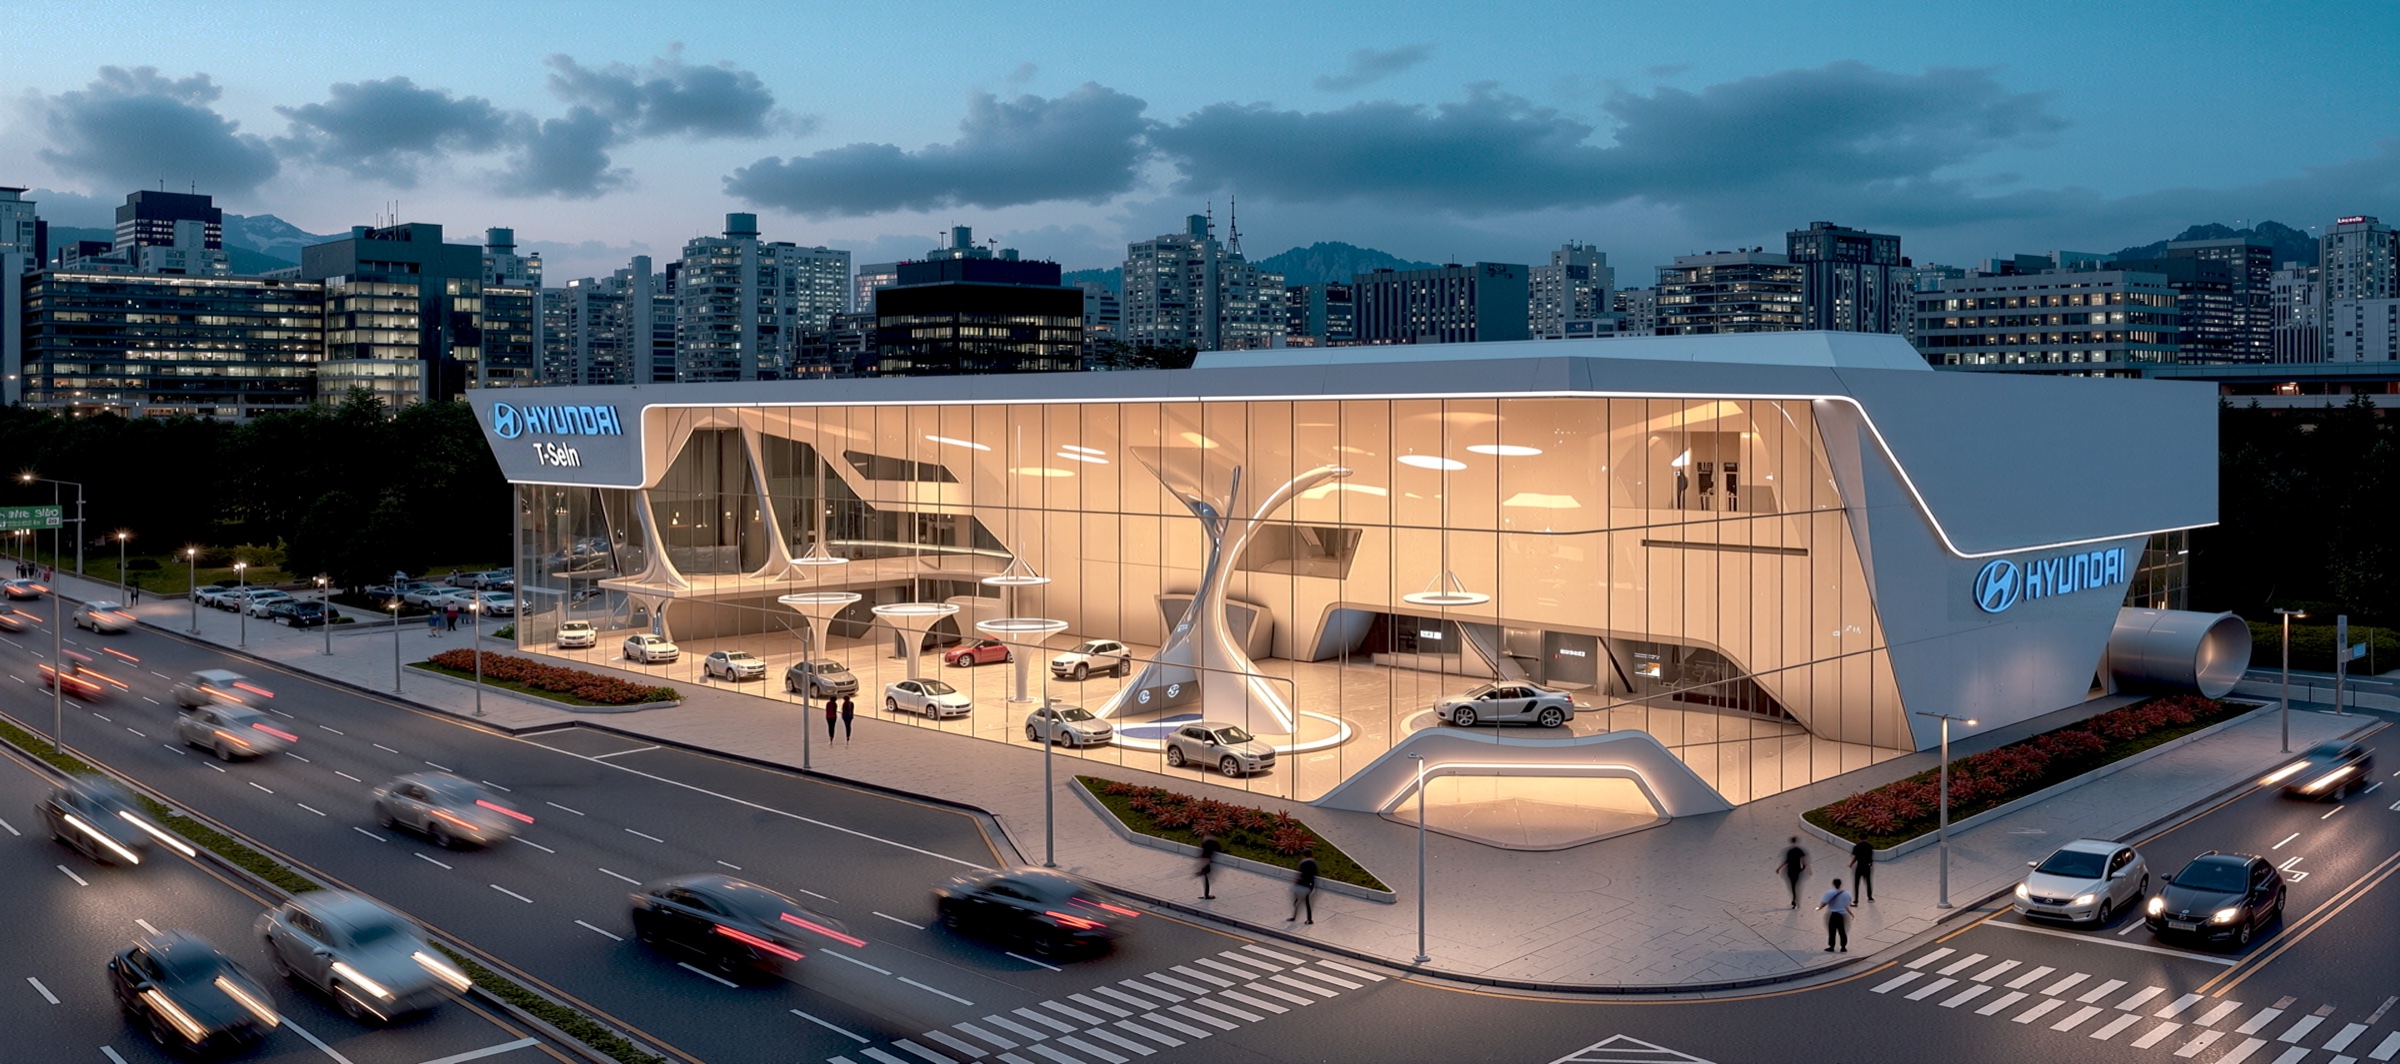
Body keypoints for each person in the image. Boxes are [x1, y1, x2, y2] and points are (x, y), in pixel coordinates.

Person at [1817, 877, 1854, 952]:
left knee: (1832, 931)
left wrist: (1818, 908)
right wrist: (1851, 913)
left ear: (1833, 884)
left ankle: (1831, 946)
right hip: (1842, 915)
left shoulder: (1829, 893)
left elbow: (1824, 903)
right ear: (1840, 884)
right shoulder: (1847, 894)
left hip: (1833, 914)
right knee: (1842, 931)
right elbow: (1847, 905)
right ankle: (1843, 947)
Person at [1776, 836, 1810, 909]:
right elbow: (1804, 862)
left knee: (1792, 886)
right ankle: (1796, 899)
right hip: (1797, 870)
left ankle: (1794, 899)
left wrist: (1779, 868)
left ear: (1791, 842)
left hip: (1790, 870)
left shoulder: (1789, 851)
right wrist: (1807, 869)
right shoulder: (1800, 851)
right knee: (1797, 886)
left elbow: (1786, 861)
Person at [1290, 850, 1319, 924]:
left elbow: (1299, 874)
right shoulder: (1314, 863)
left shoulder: (1303, 863)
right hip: (1310, 885)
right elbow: (1315, 874)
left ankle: (1294, 917)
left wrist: (1296, 882)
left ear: (1304, 855)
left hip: (1302, 884)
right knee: (1307, 902)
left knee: (1297, 902)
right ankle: (1309, 919)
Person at [1197, 834, 1222, 900]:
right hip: (1206, 860)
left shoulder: (1206, 841)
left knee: (1206, 879)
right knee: (1206, 880)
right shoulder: (1211, 841)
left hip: (1204, 860)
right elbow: (1218, 848)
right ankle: (1206, 895)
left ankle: (1206, 895)